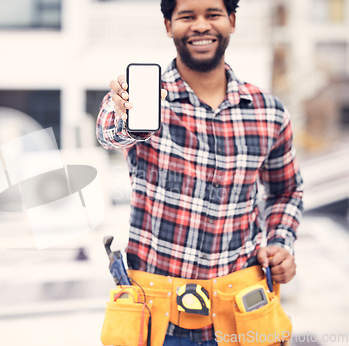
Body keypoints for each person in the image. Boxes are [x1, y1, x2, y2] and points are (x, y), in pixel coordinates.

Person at [96, 0, 303, 345]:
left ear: (232, 21)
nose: (201, 25)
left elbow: (287, 190)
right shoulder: (138, 100)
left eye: (213, 14)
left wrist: (281, 243)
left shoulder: (268, 112)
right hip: (158, 319)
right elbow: (109, 132)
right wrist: (123, 116)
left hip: (242, 313)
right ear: (168, 26)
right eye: (187, 16)